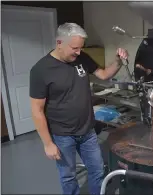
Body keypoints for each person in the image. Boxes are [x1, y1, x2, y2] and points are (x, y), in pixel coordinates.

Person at [29, 23, 128, 195]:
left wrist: (118, 61)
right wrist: (48, 143)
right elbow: (37, 110)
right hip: (62, 135)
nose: (78, 52)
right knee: (68, 177)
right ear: (59, 42)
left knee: (97, 171)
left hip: (87, 131)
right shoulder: (41, 70)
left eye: (81, 48)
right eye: (74, 48)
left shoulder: (82, 58)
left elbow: (104, 74)